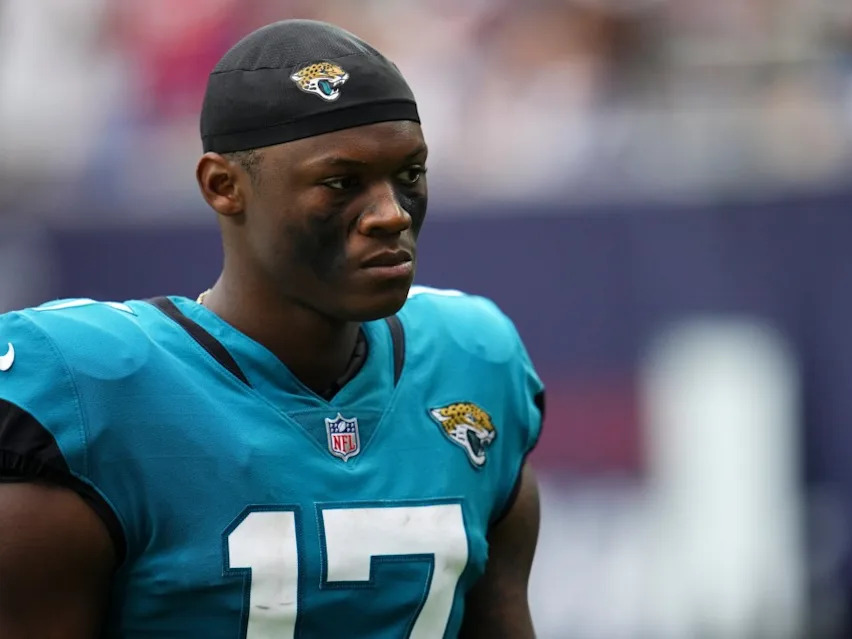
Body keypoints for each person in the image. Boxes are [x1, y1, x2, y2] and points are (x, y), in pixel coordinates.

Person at [0, 19, 544, 638]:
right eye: (342, 183)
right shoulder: (87, 391)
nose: (391, 214)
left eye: (410, 174)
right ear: (224, 186)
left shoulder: (474, 357)